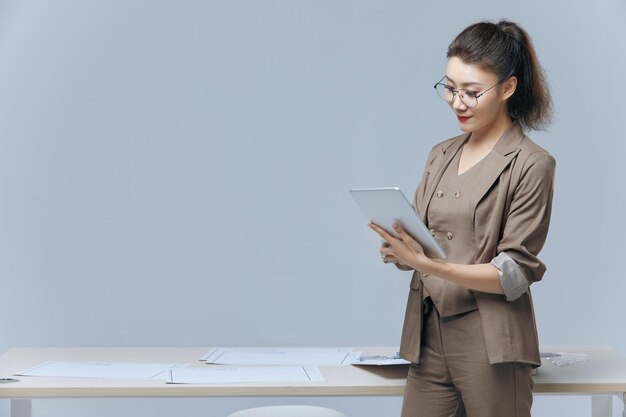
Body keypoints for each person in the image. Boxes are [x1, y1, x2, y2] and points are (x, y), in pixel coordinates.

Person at [368, 20, 555, 417]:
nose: (457, 102)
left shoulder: (531, 164)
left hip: (492, 342)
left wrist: (426, 263)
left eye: (471, 92)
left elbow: (514, 272)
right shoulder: (441, 153)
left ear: (507, 88)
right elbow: (423, 239)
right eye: (450, 88)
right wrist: (401, 249)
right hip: (428, 335)